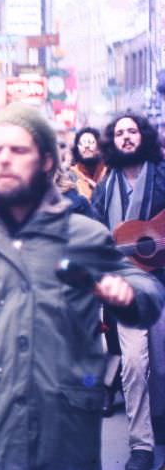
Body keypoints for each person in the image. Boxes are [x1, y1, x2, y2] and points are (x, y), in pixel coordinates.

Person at [0, 103, 165, 470]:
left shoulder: (82, 231)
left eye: (18, 150)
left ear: (47, 162)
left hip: (62, 431)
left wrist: (127, 293)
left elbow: (145, 290)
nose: (4, 159)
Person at [91, 113, 165, 470]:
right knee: (134, 364)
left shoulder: (163, 175)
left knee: (162, 366)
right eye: (119, 133)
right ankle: (142, 446)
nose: (126, 137)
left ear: (143, 136)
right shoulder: (106, 186)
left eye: (131, 131)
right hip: (128, 289)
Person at [71, 126, 106, 201]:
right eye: (82, 143)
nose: (86, 146)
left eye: (91, 142)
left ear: (99, 148)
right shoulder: (71, 176)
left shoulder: (109, 172)